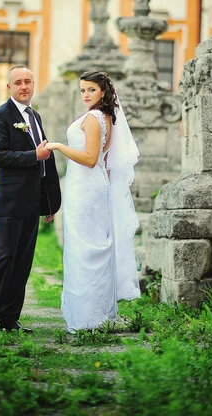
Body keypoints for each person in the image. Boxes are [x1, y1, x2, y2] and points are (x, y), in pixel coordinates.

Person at [45, 70, 140, 332]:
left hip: (87, 187)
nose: (86, 95)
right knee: (88, 246)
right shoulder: (106, 116)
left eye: (91, 90)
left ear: (103, 92)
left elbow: (89, 159)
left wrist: (57, 147)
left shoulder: (94, 118)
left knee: (85, 248)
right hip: (90, 186)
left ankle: (89, 317)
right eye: (82, 90)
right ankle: (94, 313)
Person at [0, 65, 61, 332]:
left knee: (23, 262)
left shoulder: (35, 116)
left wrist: (48, 200)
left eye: (28, 82)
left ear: (34, 85)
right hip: (10, 200)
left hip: (32, 201)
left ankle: (9, 320)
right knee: (5, 258)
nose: (24, 86)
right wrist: (33, 156)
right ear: (9, 87)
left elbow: (44, 162)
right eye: (18, 82)